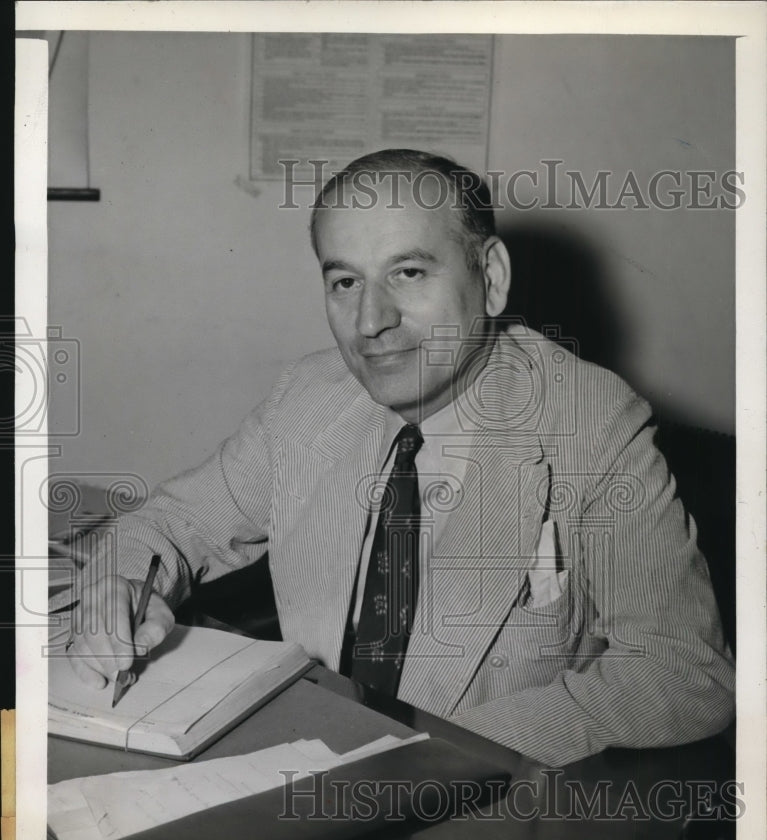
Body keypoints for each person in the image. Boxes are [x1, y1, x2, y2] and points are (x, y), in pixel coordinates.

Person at [59, 148, 735, 766]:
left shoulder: (589, 421)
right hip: (307, 758)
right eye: (344, 282)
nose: (370, 321)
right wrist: (114, 586)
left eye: (407, 273)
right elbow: (175, 524)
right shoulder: (310, 396)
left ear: (491, 278)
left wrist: (437, 753)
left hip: (485, 806)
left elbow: (680, 673)